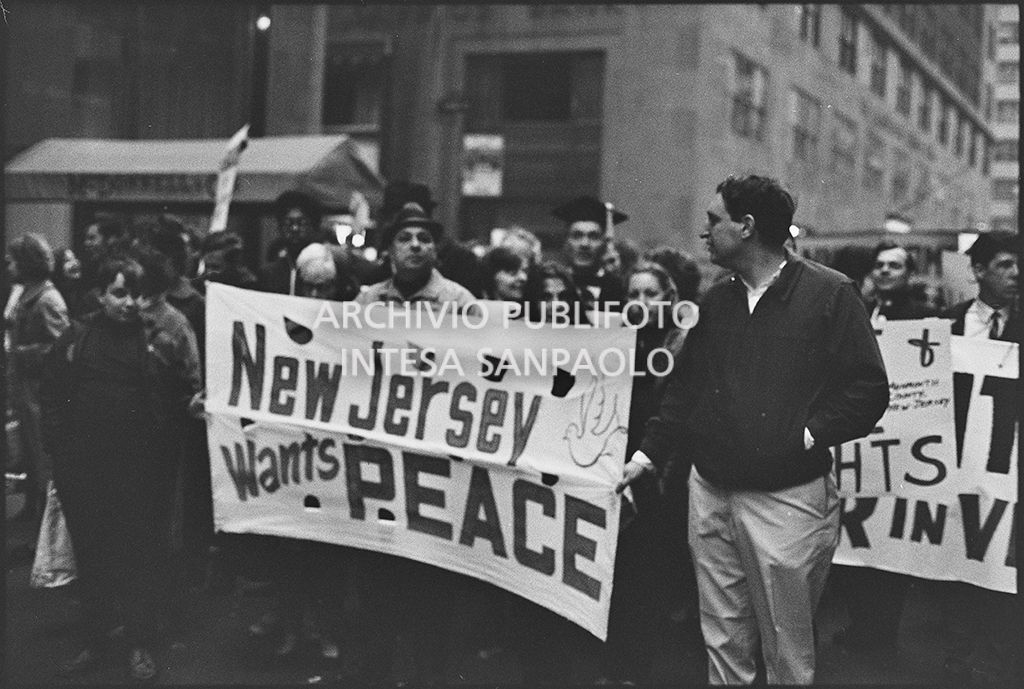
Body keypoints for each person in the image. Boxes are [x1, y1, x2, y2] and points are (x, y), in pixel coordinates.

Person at [618, 174, 889, 684]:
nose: (705, 232)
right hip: (710, 493)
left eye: (713, 220)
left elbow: (868, 389)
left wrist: (804, 436)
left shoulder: (829, 293)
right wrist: (646, 455)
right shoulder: (716, 300)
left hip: (786, 501)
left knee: (786, 649)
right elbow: (686, 388)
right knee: (723, 639)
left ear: (745, 227)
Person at [41, 256, 201, 682]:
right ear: (101, 295)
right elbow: (52, 392)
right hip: (85, 471)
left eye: (137, 294)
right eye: (119, 293)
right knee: (92, 557)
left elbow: (176, 394)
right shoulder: (77, 337)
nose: (130, 303)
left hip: (140, 471)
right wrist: (61, 452)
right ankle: (95, 641)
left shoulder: (155, 338)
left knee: (139, 556)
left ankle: (138, 643)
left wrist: (186, 408)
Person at [831, 239, 936, 669]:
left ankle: (882, 631)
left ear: (909, 274)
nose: (887, 271)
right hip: (866, 443)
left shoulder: (925, 318)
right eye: (881, 265)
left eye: (896, 265)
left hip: (904, 445)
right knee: (857, 539)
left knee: (892, 544)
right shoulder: (862, 313)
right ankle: (862, 624)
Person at [938, 231, 1021, 686]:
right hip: (958, 463)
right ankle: (960, 649)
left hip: (1008, 464)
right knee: (958, 553)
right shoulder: (945, 325)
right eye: (1005, 265)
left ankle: (998, 653)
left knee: (1004, 557)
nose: (1016, 274)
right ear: (978, 271)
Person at [6, 234, 71, 522]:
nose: (8, 266)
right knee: (30, 454)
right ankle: (32, 508)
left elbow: (62, 347)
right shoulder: (27, 294)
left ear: (26, 263)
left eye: (12, 261)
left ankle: (44, 520)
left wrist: (22, 353)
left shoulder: (47, 300)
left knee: (41, 456)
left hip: (40, 392)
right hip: (26, 389)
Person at [355, 201, 476, 309]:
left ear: (435, 250)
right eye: (404, 238)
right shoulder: (368, 300)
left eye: (424, 239)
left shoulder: (460, 302)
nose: (415, 245)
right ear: (391, 251)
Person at [551, 195, 628, 310]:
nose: (585, 244)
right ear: (566, 242)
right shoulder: (551, 285)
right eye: (577, 236)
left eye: (593, 236)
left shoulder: (621, 289)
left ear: (604, 243)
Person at [260, 190, 321, 295]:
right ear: (280, 228)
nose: (294, 228)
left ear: (313, 226)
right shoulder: (269, 273)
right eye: (288, 223)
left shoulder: (324, 270)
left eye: (301, 223)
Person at [862, 241, 936, 325]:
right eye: (879, 265)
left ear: (910, 275)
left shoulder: (925, 316)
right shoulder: (861, 312)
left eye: (894, 266)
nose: (884, 270)